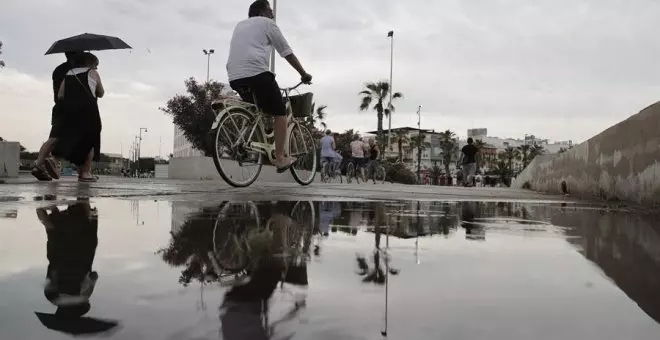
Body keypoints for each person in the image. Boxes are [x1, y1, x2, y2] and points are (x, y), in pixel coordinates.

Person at [226, 0, 312, 173]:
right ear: (262, 11)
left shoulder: (239, 26)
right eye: (270, 10)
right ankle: (280, 158)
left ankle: (254, 139)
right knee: (280, 113)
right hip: (257, 74)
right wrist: (303, 73)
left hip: (234, 77)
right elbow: (286, 52)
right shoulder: (267, 23)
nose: (272, 14)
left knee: (262, 109)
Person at [52, 52, 104, 183]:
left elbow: (61, 95)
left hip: (70, 111)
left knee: (73, 139)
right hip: (89, 111)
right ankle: (85, 172)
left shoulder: (69, 74)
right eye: (96, 64)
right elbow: (101, 93)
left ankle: (56, 160)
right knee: (90, 141)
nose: (96, 68)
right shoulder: (92, 73)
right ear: (90, 63)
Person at [32, 51, 80, 181]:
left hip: (58, 106)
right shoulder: (74, 71)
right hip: (71, 107)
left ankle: (39, 164)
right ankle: (50, 162)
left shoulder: (58, 69)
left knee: (53, 138)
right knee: (76, 138)